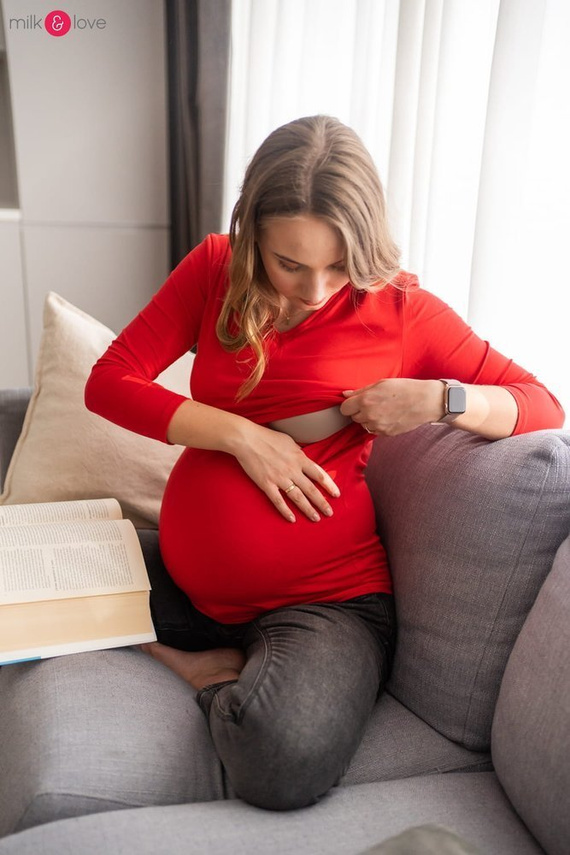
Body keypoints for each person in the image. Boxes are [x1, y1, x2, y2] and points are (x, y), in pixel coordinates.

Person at [84, 115, 564, 811]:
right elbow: (110, 380)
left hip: (327, 602)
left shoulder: (401, 311)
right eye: (290, 263)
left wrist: (439, 397)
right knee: (23, 584)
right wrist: (239, 435)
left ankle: (225, 681)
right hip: (189, 587)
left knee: (283, 761)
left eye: (339, 266)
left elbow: (543, 404)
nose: (315, 291)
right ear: (253, 236)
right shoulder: (215, 267)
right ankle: (182, 655)